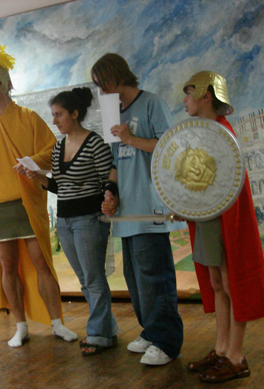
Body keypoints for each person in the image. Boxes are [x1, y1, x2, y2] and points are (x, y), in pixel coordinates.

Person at [0, 44, 77, 347]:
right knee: (8, 266)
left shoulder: (28, 117)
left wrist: (32, 162)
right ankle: (20, 325)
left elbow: (53, 151)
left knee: (41, 262)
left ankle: (57, 323)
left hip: (27, 199)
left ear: (7, 84)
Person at [91, 53, 185, 365]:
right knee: (135, 278)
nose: (102, 92)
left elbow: (169, 146)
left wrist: (131, 138)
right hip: (128, 212)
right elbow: (116, 162)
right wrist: (111, 192)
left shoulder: (151, 103)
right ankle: (150, 330)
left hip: (150, 208)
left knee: (155, 277)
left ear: (118, 78)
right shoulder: (113, 114)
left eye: (103, 84)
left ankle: (167, 342)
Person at [181, 71, 264, 382]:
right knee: (218, 283)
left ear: (206, 96)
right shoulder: (205, 131)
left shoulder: (223, 132)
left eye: (190, 94)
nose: (186, 101)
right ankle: (221, 349)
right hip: (208, 217)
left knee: (230, 282)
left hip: (222, 217)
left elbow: (226, 184)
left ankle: (236, 355)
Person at [23, 87, 118, 356]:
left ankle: (98, 334)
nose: (54, 121)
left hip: (89, 219)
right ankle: (107, 329)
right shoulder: (59, 147)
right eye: (53, 115)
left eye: (59, 115)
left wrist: (110, 198)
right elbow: (61, 186)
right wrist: (40, 177)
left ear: (75, 114)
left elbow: (108, 181)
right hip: (64, 221)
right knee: (85, 280)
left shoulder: (95, 143)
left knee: (94, 279)